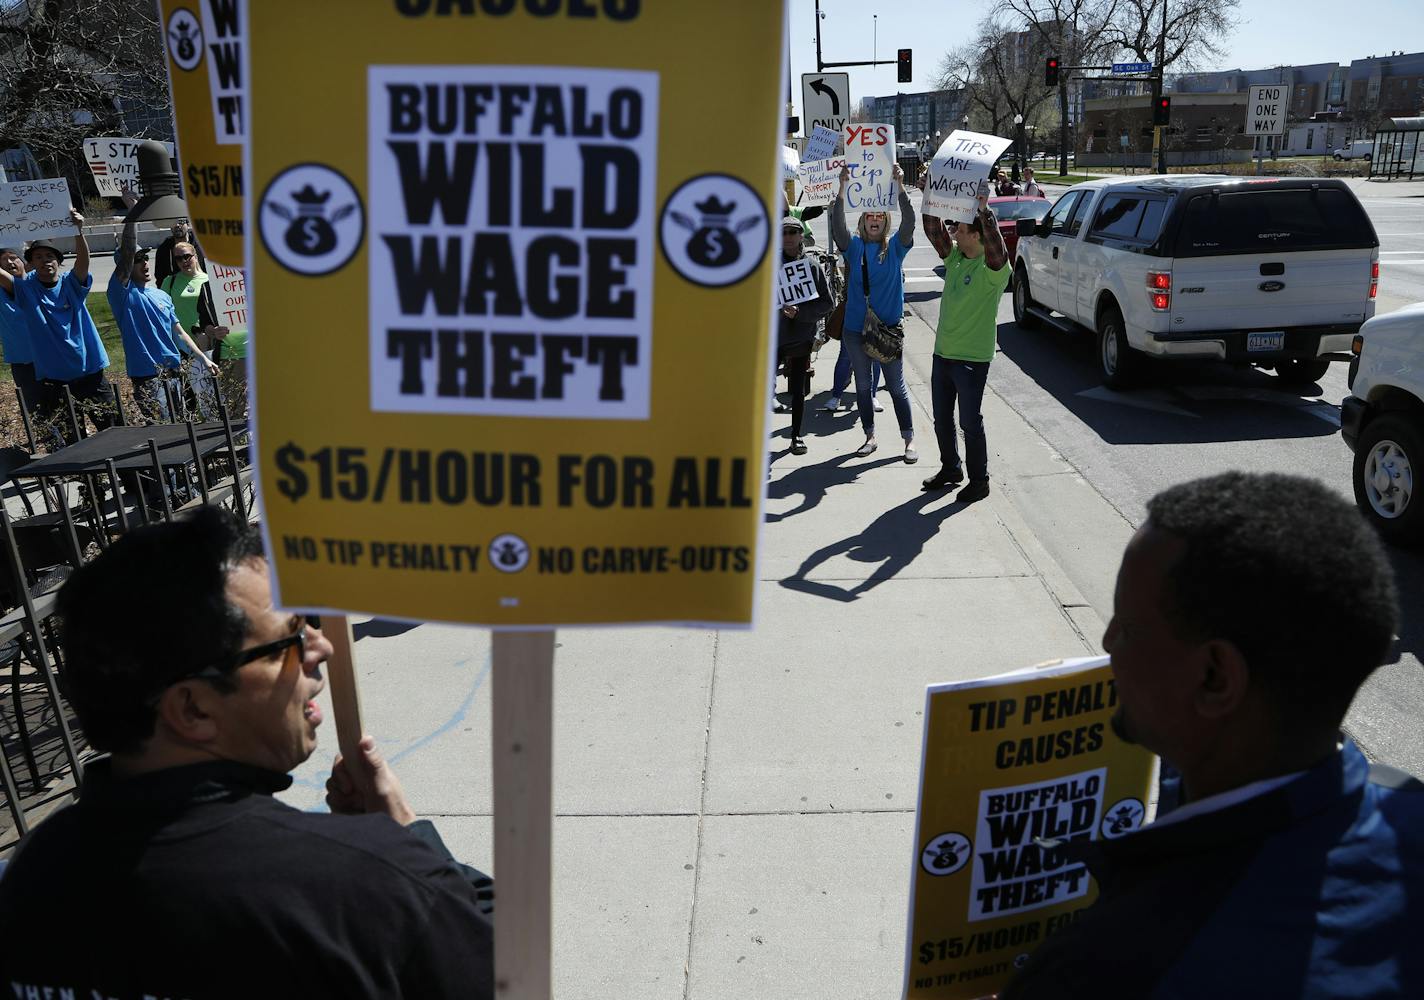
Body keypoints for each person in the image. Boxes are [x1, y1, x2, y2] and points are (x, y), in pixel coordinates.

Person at [0, 508, 496, 996]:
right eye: (291, 639)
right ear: (192, 709)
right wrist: (408, 835)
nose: (322, 647)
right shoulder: (360, 886)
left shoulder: (33, 876)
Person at [1002, 471, 1419, 999]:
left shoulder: (1106, 967)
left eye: (1127, 627)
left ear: (1215, 678)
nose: (1107, 643)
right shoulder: (1406, 804)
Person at [920, 180, 1009, 503]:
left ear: (975, 234)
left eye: (958, 228)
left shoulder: (992, 269)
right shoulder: (955, 259)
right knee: (942, 420)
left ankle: (979, 480)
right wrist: (931, 193)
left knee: (969, 422)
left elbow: (998, 247)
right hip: (943, 355)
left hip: (972, 360)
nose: (953, 232)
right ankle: (951, 468)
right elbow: (932, 229)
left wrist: (985, 211)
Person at [0, 214, 114, 442]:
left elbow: (83, 262)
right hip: (55, 380)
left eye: (50, 256)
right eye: (39, 257)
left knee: (113, 431)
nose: (45, 260)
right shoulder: (25, 290)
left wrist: (78, 231)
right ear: (32, 262)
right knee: (74, 440)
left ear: (58, 261)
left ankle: (131, 477)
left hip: (90, 373)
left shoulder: (72, 284)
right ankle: (89, 479)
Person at [830, 163, 917, 462]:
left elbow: (910, 222)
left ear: (885, 220)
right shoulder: (853, 248)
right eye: (870, 215)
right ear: (864, 221)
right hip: (855, 330)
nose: (875, 219)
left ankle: (908, 440)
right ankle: (870, 436)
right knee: (864, 386)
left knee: (896, 387)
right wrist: (842, 188)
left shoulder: (896, 248)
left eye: (880, 215)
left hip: (889, 331)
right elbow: (837, 227)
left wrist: (901, 186)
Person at [109, 217, 219, 423]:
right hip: (147, 375)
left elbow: (179, 333)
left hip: (174, 371)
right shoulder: (121, 294)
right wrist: (133, 218)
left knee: (181, 421)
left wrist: (203, 359)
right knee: (163, 426)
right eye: (137, 260)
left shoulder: (161, 296)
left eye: (144, 258)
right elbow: (126, 257)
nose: (144, 263)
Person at [776, 216, 834, 455]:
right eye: (784, 232)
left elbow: (827, 303)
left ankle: (796, 436)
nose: (788, 236)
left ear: (801, 236)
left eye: (793, 232)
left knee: (798, 390)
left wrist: (800, 312)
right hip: (772, 338)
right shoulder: (769, 265)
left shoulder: (811, 266)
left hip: (801, 336)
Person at [159, 239, 229, 417]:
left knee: (211, 390)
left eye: (187, 256)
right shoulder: (170, 281)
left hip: (208, 344)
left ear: (195, 256)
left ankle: (215, 422)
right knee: (189, 394)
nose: (183, 261)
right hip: (182, 347)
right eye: (178, 259)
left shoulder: (209, 280)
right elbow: (162, 314)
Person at [0, 247, 41, 416]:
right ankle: (53, 440)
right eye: (4, 260)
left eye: (13, 257)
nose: (10, 262)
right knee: (36, 410)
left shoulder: (36, 282)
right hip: (22, 362)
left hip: (50, 356)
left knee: (61, 402)